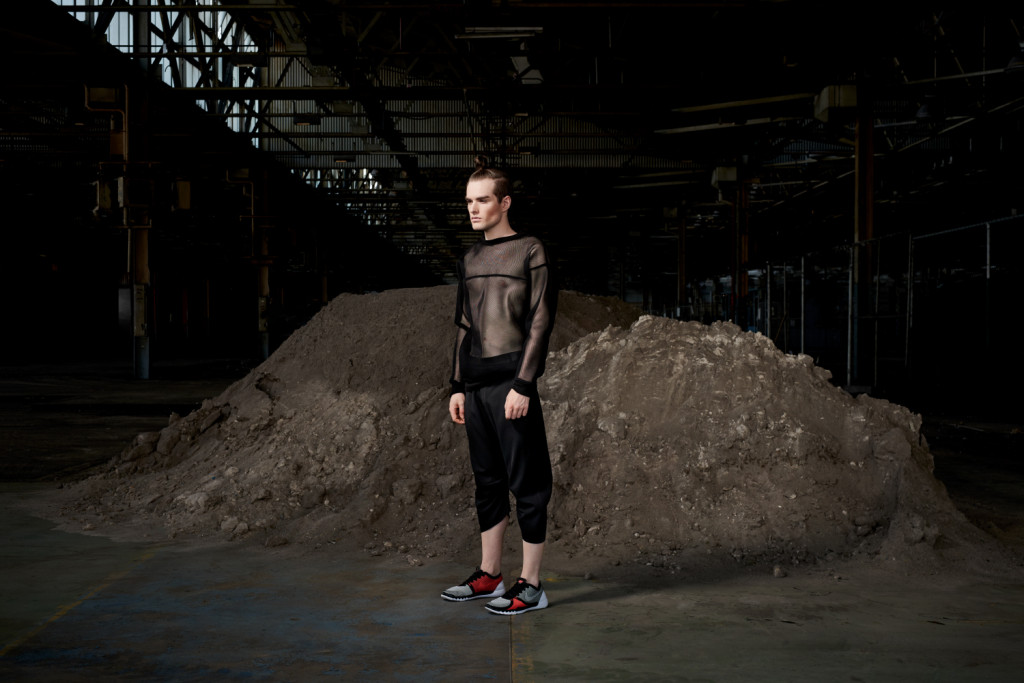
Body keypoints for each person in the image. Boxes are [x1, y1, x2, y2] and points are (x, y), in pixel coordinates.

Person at [441, 157, 557, 615]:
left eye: (482, 200)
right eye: (468, 201)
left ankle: (531, 585)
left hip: (512, 383)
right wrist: (455, 384)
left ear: (504, 202)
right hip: (474, 387)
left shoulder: (530, 249)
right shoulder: (469, 258)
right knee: (487, 482)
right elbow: (464, 325)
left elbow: (542, 320)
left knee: (528, 485)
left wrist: (524, 385)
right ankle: (490, 575)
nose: (473, 209)